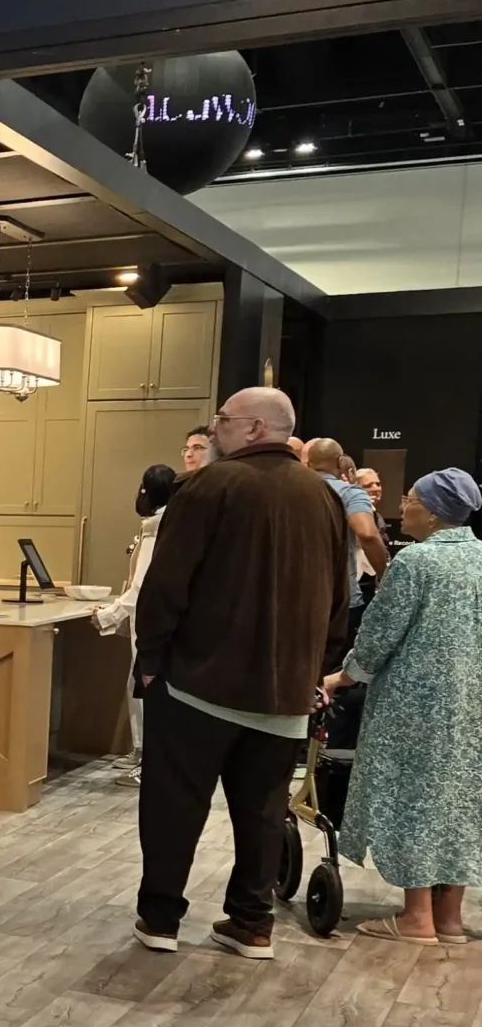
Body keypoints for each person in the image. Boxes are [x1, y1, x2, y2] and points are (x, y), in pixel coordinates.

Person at [132, 386, 348, 957]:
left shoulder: (206, 486)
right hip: (286, 690)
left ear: (254, 428)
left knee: (174, 806)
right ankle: (252, 923)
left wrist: (150, 661)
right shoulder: (324, 497)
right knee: (264, 812)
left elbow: (165, 586)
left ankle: (160, 920)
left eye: (222, 419)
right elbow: (337, 596)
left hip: (197, 684)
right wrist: (315, 669)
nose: (214, 429)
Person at [322, 468, 482, 943]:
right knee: (458, 799)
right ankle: (448, 918)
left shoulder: (416, 562)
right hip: (470, 704)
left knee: (414, 798)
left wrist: (342, 676)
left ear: (432, 513)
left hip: (415, 706)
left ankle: (416, 917)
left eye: (410, 498)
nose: (400, 506)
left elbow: (379, 633)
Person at [96, 463, 176, 772]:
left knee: (141, 683)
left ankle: (143, 754)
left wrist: (109, 615)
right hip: (161, 621)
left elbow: (141, 586)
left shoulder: (154, 528)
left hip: (147, 622)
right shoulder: (168, 522)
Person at [305, 436, 389, 659]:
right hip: (339, 599)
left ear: (309, 463)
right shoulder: (349, 492)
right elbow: (367, 534)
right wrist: (386, 574)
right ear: (340, 461)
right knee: (334, 667)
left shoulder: (287, 490)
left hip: (292, 597)